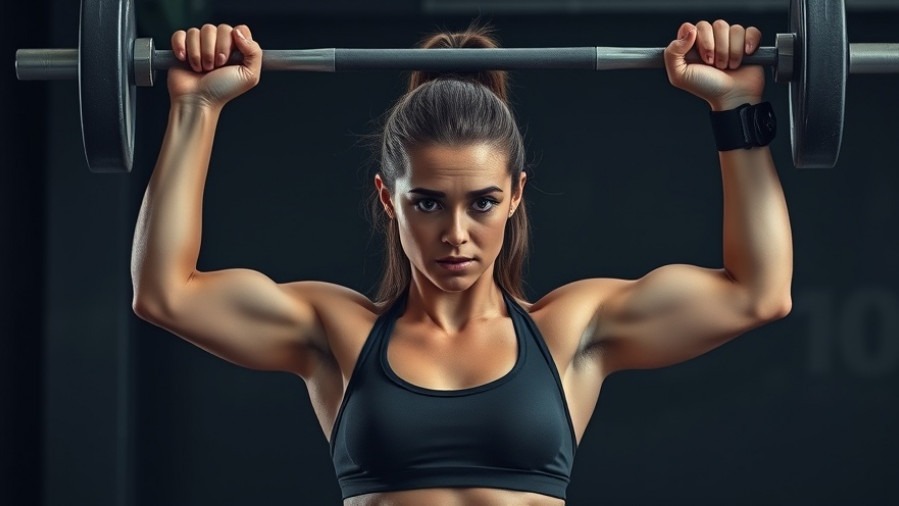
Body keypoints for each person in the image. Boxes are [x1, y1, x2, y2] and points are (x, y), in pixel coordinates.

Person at [131, 18, 793, 506]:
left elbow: (758, 293)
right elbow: (164, 293)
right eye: (426, 203)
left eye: (481, 203)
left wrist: (733, 106)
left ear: (515, 197)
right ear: (387, 199)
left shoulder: (568, 331)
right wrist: (196, 106)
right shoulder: (337, 333)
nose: (456, 233)